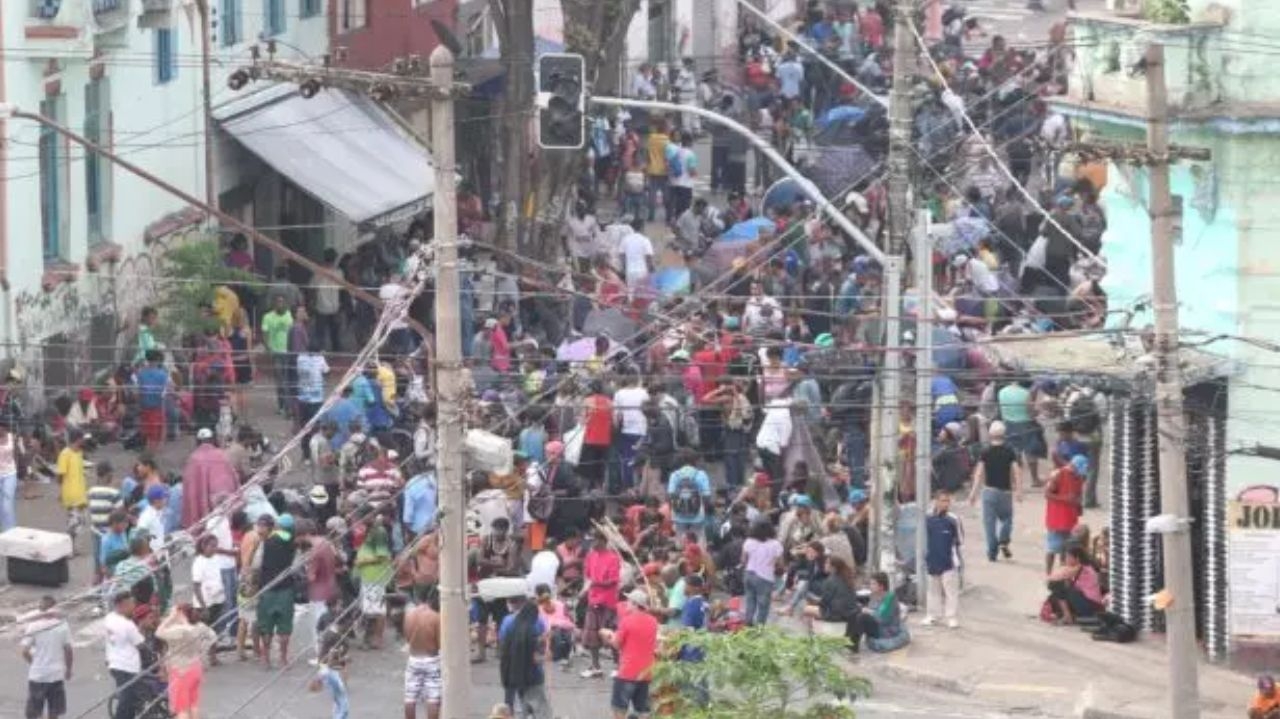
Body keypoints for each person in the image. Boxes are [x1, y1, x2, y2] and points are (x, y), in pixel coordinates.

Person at [968, 420, 1021, 562]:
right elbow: (1016, 472)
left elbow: (979, 474)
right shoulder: (1010, 451)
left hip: (989, 491)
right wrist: (1018, 490)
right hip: (1006, 492)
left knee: (989, 524)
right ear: (1004, 434)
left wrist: (973, 493)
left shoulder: (985, 451)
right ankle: (1004, 539)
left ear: (990, 434)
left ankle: (992, 552)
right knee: (1007, 519)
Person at [603, 589, 660, 719]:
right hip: (646, 672)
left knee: (619, 710)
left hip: (627, 672)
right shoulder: (653, 621)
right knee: (643, 711)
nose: (626, 603)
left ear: (635, 604)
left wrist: (608, 637)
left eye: (629, 601)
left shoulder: (626, 621)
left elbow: (617, 644)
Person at [155, 605, 217, 719]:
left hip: (180, 670)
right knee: (193, 704)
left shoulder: (179, 630)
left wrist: (171, 618)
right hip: (196, 667)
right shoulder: (200, 627)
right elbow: (213, 636)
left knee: (181, 709)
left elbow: (158, 632)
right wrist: (202, 650)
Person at [498, 593, 553, 719]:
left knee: (517, 707)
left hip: (512, 674)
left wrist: (541, 638)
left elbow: (515, 644)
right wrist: (546, 657)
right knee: (540, 708)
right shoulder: (533, 626)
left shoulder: (512, 625)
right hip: (531, 677)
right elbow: (533, 657)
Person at [257, 513, 297, 669]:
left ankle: (266, 659)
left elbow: (258, 565)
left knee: (266, 625)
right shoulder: (292, 541)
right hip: (286, 589)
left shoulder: (267, 542)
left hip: (267, 588)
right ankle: (283, 659)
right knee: (284, 626)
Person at [21, 596, 72, 719]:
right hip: (56, 675)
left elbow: (24, 651)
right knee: (54, 711)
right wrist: (68, 669)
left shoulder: (34, 626)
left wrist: (33, 663)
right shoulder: (62, 626)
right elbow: (68, 650)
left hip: (38, 675)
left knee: (33, 712)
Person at [580, 529, 621, 679]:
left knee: (610, 635)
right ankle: (596, 667)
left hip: (608, 602)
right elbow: (587, 576)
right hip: (593, 600)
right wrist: (585, 590)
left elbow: (613, 580)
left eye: (594, 540)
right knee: (591, 634)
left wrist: (596, 583)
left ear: (603, 541)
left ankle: (618, 666)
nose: (592, 543)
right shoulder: (590, 556)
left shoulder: (613, 558)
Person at [181, 428, 239, 529]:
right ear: (213, 440)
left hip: (205, 513)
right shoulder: (222, 455)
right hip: (224, 506)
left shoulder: (194, 459)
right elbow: (233, 479)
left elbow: (190, 488)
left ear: (198, 441)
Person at [923, 491, 963, 628]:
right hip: (932, 559)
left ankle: (951, 617)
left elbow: (960, 539)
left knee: (950, 591)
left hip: (949, 561)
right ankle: (932, 615)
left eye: (947, 501)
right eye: (943, 500)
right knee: (933, 590)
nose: (945, 503)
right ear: (936, 501)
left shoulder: (953, 519)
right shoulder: (928, 518)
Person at [104, 591, 146, 719]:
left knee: (129, 698)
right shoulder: (128, 625)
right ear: (123, 605)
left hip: (114, 663)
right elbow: (141, 644)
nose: (134, 606)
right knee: (127, 699)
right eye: (131, 604)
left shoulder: (109, 617)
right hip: (127, 666)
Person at [403, 588, 442, 719]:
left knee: (410, 697)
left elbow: (407, 638)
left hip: (414, 658)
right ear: (432, 599)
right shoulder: (435, 617)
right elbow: (440, 643)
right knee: (433, 698)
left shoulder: (409, 615)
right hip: (431, 658)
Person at [1045, 454, 1086, 575]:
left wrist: (1079, 506)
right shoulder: (1059, 474)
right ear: (1072, 466)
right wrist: (1065, 498)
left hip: (1071, 520)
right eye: (1078, 469)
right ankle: (1049, 574)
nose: (1079, 473)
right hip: (1056, 519)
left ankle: (1063, 574)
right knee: (1052, 548)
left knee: (1067, 550)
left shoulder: (1079, 478)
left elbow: (1078, 496)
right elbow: (1047, 494)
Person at [355, 523, 393, 650]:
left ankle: (377, 638)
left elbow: (382, 556)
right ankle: (371, 637)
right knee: (369, 608)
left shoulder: (379, 532)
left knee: (377, 608)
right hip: (368, 576)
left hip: (375, 576)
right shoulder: (370, 531)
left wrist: (363, 561)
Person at [741, 520, 783, 626]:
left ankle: (748, 624)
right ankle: (759, 628)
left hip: (749, 574)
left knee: (750, 601)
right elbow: (780, 563)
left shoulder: (749, 541)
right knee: (763, 605)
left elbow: (743, 560)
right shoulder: (775, 544)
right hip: (765, 578)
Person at [667, 450, 713, 544]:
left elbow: (670, 495)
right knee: (699, 539)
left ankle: (682, 555)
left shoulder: (674, 475)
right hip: (698, 515)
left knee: (680, 543)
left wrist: (674, 510)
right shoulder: (701, 474)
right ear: (694, 461)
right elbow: (707, 496)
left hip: (678, 516)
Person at [261, 295, 295, 415]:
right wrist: (268, 348)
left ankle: (287, 406)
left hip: (288, 352)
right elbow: (264, 333)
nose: (280, 304)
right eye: (278, 302)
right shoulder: (268, 317)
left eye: (282, 302)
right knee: (280, 380)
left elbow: (292, 332)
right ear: (274, 304)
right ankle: (282, 405)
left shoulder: (289, 315)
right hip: (276, 353)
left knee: (287, 380)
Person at [56, 429, 89, 550]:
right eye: (82, 438)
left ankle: (73, 547)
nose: (84, 441)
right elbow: (60, 475)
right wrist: (61, 492)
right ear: (78, 439)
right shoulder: (65, 454)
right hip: (71, 494)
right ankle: (68, 548)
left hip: (81, 494)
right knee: (73, 523)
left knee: (81, 522)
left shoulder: (79, 453)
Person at [0, 421, 22, 533]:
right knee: (1, 505)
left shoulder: (11, 437)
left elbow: (17, 454)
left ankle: (10, 531)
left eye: (2, 429)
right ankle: (3, 532)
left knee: (7, 504)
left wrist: (18, 473)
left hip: (10, 473)